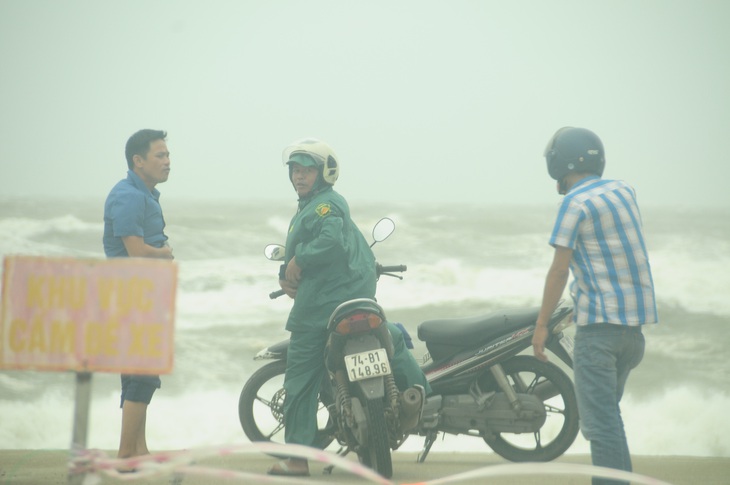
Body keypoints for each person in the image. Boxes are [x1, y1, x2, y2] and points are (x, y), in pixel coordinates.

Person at [268, 139, 431, 477]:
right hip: (357, 295)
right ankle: (422, 397)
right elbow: (332, 249)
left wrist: (299, 259)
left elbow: (329, 241)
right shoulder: (316, 205)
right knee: (394, 341)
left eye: (307, 170)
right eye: (295, 171)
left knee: (300, 376)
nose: (300, 176)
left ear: (324, 173)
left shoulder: (326, 206)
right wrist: (289, 272)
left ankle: (298, 459)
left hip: (321, 305)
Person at [531, 127, 658, 485]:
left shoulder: (573, 204)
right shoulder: (623, 191)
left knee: (600, 427)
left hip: (599, 335)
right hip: (633, 336)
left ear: (560, 164)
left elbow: (558, 271)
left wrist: (541, 327)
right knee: (609, 422)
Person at [103, 129, 174, 464]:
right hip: (132, 295)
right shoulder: (129, 196)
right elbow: (135, 250)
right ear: (138, 160)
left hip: (143, 293)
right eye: (160, 155)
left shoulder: (145, 193)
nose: (167, 161)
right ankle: (126, 453)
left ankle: (138, 449)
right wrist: (164, 253)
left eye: (168, 155)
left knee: (138, 373)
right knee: (143, 374)